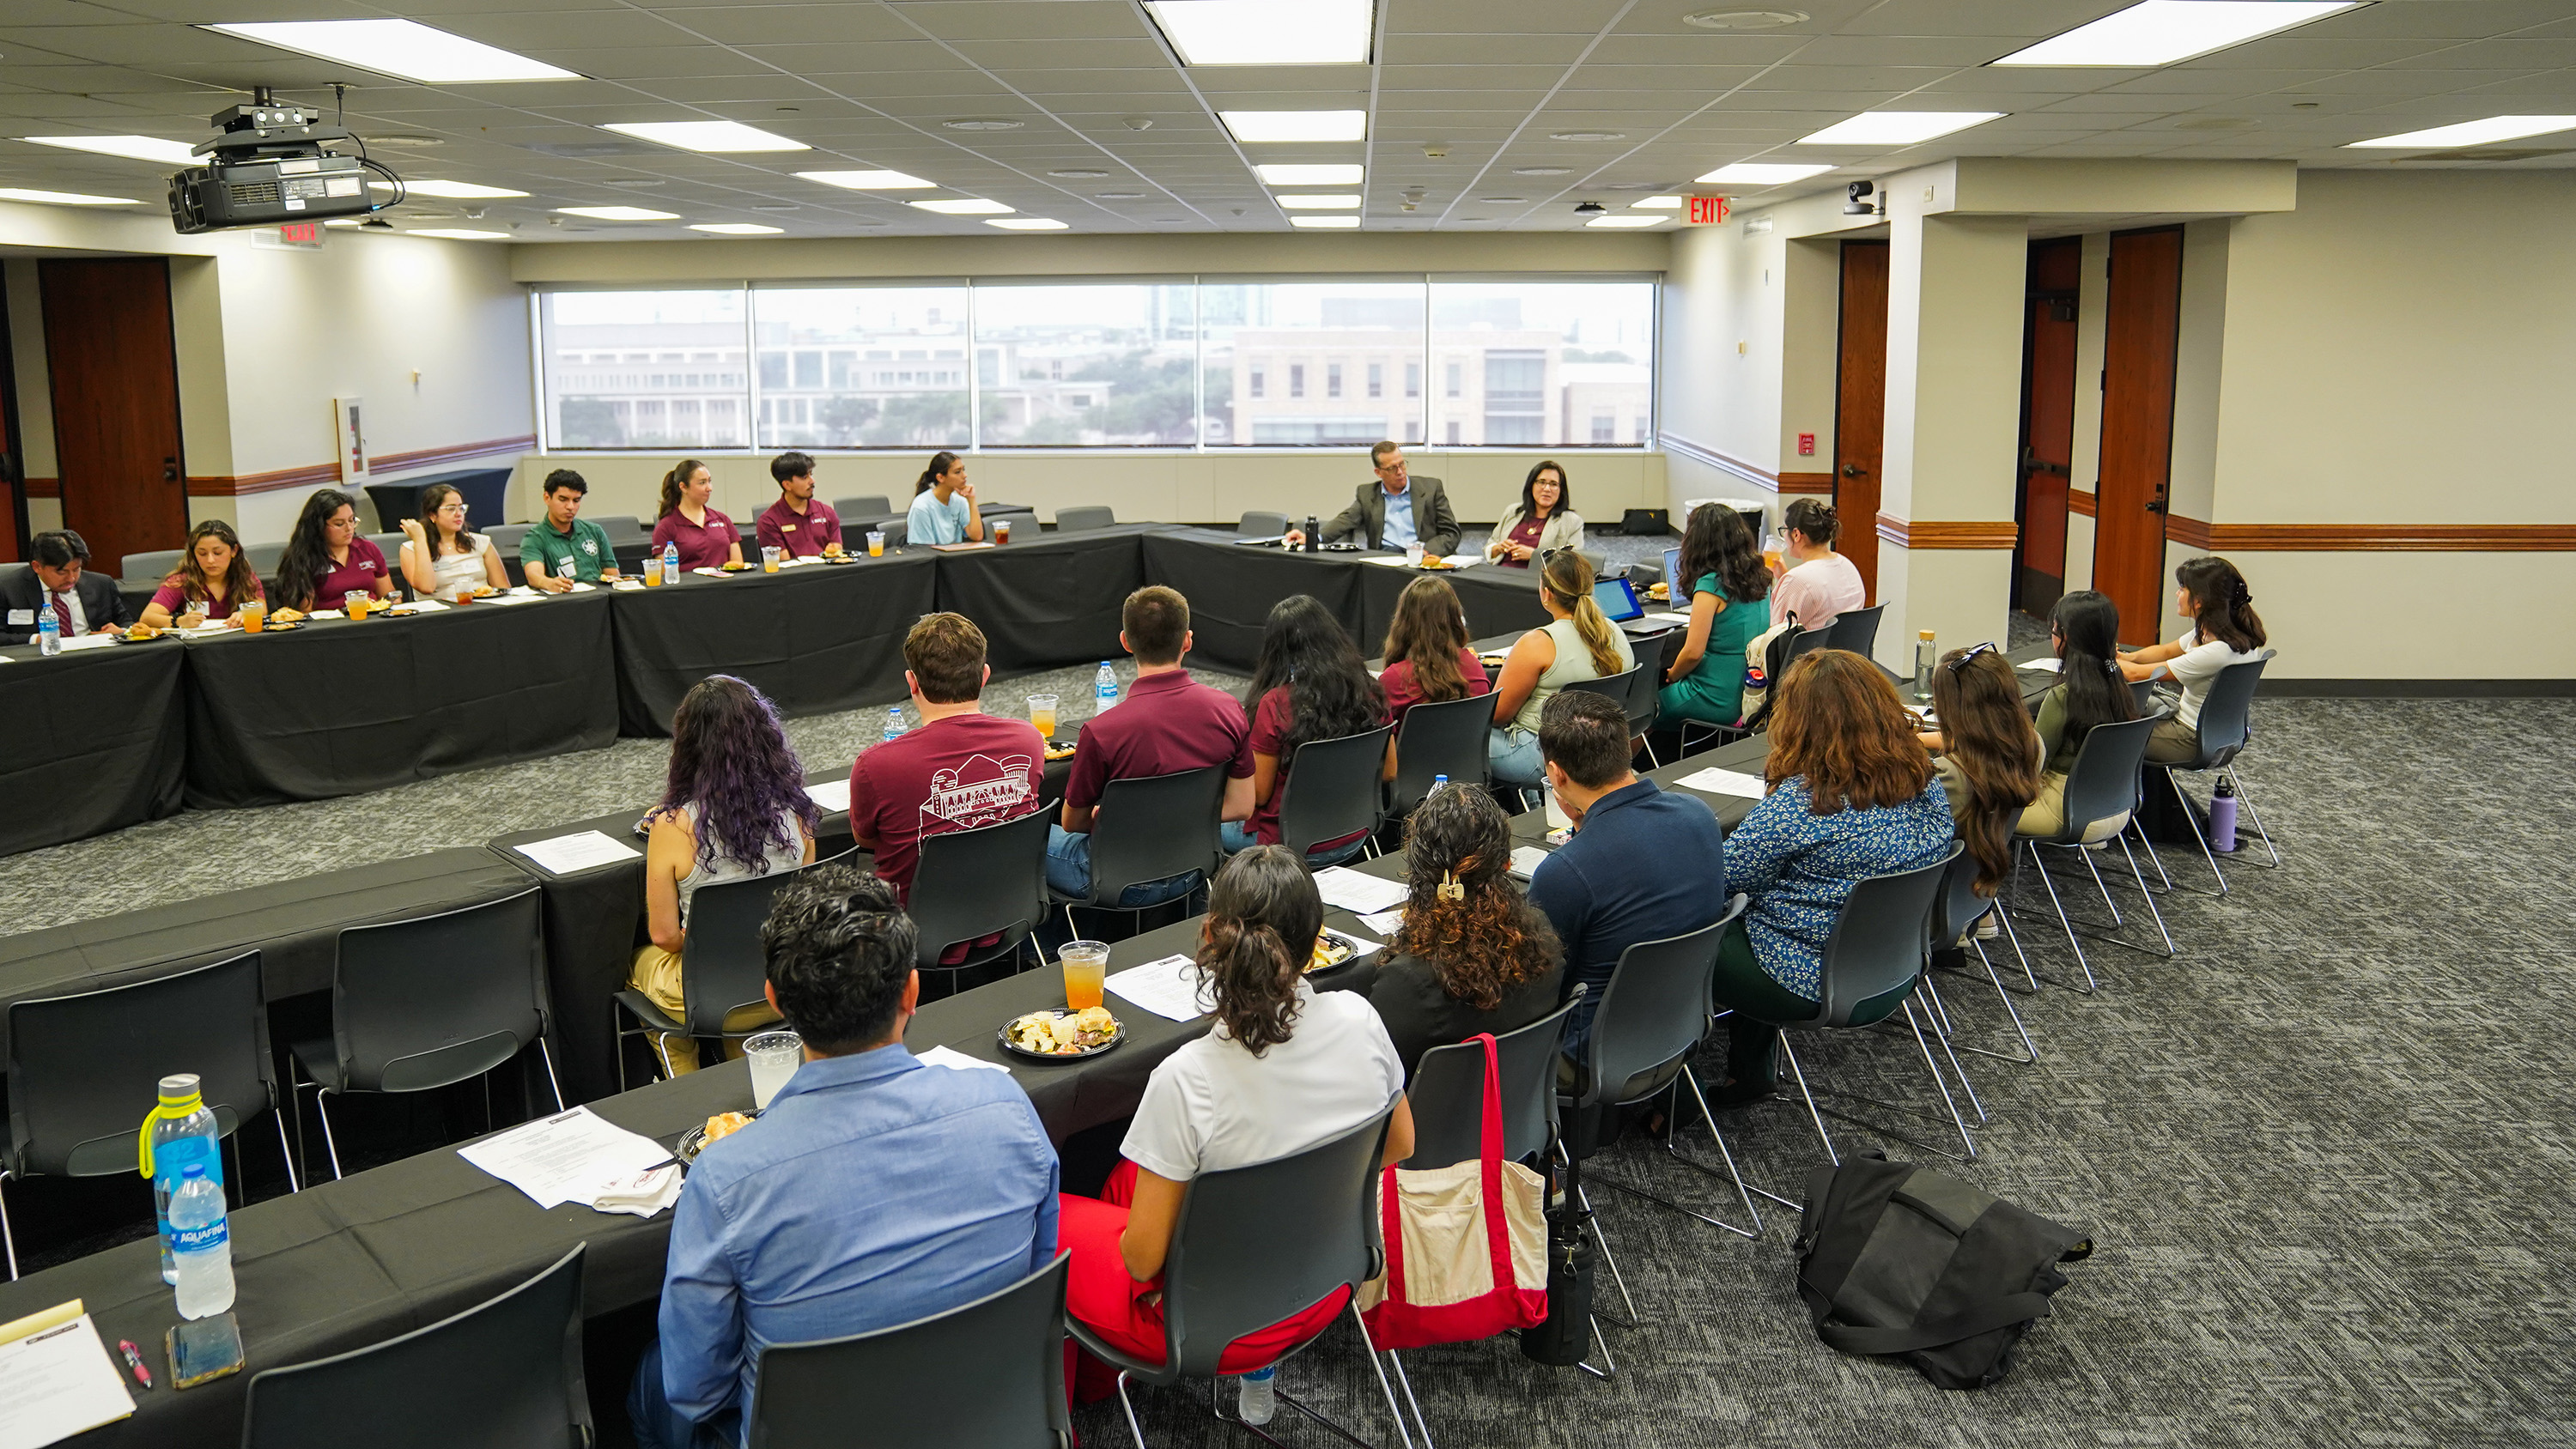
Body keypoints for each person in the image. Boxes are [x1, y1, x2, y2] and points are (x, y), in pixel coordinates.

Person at [632, 864, 1058, 1449]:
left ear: (775, 1001)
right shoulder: (1007, 1108)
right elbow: (1033, 1290)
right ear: (912, 991)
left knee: (651, 1379)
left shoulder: (726, 1178)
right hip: (986, 1420)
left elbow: (696, 1392)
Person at [1059, 847, 1411, 1409]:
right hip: (1329, 1284)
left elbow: (1141, 1261)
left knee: (1045, 1219)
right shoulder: (1361, 1018)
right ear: (1316, 939)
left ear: (1211, 937)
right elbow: (1401, 1144)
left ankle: (1090, 1395)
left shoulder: (1186, 1078)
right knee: (1127, 1181)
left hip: (1206, 1327)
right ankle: (1101, 1380)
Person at [1710, 650, 1955, 1102]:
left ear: (1800, 722)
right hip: (1894, 966)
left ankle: (1669, 1091)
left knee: (1672, 928)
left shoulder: (1802, 803)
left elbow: (1719, 880)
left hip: (1806, 981)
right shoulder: (1924, 781)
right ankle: (1748, 1072)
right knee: (1766, 905)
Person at [630, 676, 819, 1074]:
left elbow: (665, 937)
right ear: (766, 737)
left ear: (688, 745)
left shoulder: (673, 827)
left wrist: (711, 941)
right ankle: (746, 1063)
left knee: (638, 963)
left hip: (714, 997)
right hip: (787, 983)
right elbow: (803, 912)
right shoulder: (798, 811)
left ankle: (690, 1086)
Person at [1526, 689, 1728, 1045]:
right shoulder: (1698, 814)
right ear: (1626, 749)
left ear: (1556, 774)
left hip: (1587, 1048)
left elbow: (1539, 982)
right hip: (1683, 1022)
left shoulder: (1566, 871)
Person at [1049, 585, 1255, 906]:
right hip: (1195, 866)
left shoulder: (1101, 732)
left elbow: (1072, 822)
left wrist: (1113, 818)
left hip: (1118, 880)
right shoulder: (1229, 710)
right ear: (1187, 640)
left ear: (1125, 641)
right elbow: (1242, 806)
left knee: (1028, 839)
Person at [1367, 785, 1566, 1078]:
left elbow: (1376, 1076)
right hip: (1526, 1097)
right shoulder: (1541, 936)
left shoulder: (1407, 981)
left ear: (1416, 868)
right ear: (1507, 863)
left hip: (1438, 1107)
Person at [846, 612, 1042, 904]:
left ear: (912, 682)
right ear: (985, 676)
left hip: (911, 926)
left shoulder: (874, 765)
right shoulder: (1028, 739)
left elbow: (866, 839)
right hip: (1011, 910)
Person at [1232, 594, 1393, 865]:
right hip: (1356, 834)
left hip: (1286, 845)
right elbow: (1389, 772)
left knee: (1210, 828)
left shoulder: (1275, 704)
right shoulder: (1370, 692)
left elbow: (1259, 796)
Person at [1486, 550, 1634, 791]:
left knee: (1456, 737)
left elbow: (1497, 715)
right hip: (1603, 750)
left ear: (1547, 594)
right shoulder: (1614, 631)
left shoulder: (1538, 643)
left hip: (1544, 757)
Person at [2121, 556, 2268, 764]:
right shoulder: (2224, 632)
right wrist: (2126, 657)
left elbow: (2136, 675)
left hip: (2190, 738)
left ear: (2199, 601)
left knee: (2106, 735)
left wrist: (2099, 656)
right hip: (2220, 735)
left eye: (2182, 589)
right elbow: (2166, 651)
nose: (2177, 593)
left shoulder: (2217, 651)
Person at [1923, 645, 2043, 897]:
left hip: (1928, 899)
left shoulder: (1947, 775)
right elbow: (1978, 739)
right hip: (1972, 891)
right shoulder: (2033, 744)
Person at [2017, 591, 2137, 838]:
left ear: (2066, 638)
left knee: (1966, 802)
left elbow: (2033, 766)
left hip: (2065, 813)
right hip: (2118, 808)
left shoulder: (2063, 696)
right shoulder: (2122, 688)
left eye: (2054, 630)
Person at [1657, 503, 1772, 729]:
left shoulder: (1710, 586)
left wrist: (1672, 676)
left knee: (1641, 707)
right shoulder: (1761, 578)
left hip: (1713, 694)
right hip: (1750, 691)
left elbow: (1693, 653)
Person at [1282, 441, 1461, 555]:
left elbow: (1451, 533)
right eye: (1392, 468)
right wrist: (1313, 538)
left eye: (1402, 464)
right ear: (1378, 472)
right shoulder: (1367, 494)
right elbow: (1344, 521)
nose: (1400, 472)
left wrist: (1427, 551)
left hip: (1422, 559)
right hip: (1385, 560)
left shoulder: (1431, 488)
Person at [1376, 575, 1489, 727]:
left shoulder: (1395, 679)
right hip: (1467, 743)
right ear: (1456, 618)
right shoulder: (1473, 666)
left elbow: (1379, 734)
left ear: (1403, 622)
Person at [274, 488, 394, 614]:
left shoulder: (367, 549)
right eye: (339, 524)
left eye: (351, 520)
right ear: (319, 526)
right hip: (329, 623)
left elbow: (388, 597)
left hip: (371, 619)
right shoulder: (303, 558)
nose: (349, 528)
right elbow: (303, 615)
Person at [0, 529, 129, 643]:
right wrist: (37, 639)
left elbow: (126, 622)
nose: (71, 578)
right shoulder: (8, 589)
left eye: (77, 569)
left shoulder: (101, 584)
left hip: (95, 656)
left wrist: (122, 631)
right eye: (62, 572)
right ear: (37, 567)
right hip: (41, 658)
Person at [137, 521, 264, 631]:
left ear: (234, 551)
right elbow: (147, 617)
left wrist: (245, 614)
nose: (210, 560)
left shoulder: (244, 576)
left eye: (218, 553)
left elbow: (262, 607)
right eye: (202, 554)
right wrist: (179, 621)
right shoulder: (181, 581)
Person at [398, 483, 509, 602]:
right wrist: (420, 540)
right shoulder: (411, 548)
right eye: (451, 509)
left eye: (461, 508)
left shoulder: (481, 542)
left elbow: (503, 589)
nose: (458, 514)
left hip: (484, 606)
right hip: (440, 611)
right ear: (432, 515)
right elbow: (426, 587)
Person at [1768, 497, 1866, 631]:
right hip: (1847, 644)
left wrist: (1787, 582)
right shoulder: (1847, 565)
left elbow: (1776, 635)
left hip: (1812, 645)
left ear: (1796, 534)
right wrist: (1784, 578)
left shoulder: (1798, 580)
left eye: (1784, 529)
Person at [520, 468, 616, 591]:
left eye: (576, 501)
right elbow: (534, 576)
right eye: (563, 499)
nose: (570, 507)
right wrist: (549, 583)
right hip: (564, 597)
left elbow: (613, 575)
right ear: (547, 498)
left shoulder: (594, 531)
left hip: (598, 596)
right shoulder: (535, 538)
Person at [1482, 459, 1584, 567]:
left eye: (1553, 484)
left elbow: (1573, 562)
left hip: (1538, 576)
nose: (1547, 489)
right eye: (1542, 482)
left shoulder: (1571, 521)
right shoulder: (1513, 511)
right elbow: (1489, 546)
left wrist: (1534, 555)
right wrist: (1498, 548)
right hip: (1499, 573)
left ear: (1561, 490)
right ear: (1531, 485)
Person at [651, 458, 744, 572]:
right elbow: (665, 574)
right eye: (702, 483)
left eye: (709, 481)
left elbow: (737, 565)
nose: (709, 488)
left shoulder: (721, 519)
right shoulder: (666, 527)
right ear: (683, 487)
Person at [756, 451, 843, 561]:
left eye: (811, 475)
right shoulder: (769, 522)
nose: (812, 481)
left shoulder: (827, 512)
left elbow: (836, 551)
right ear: (787, 485)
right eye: (804, 477)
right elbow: (784, 564)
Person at [905, 451, 983, 545]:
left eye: (964, 470)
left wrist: (971, 499)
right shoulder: (921, 507)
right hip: (932, 554)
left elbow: (977, 536)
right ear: (941, 478)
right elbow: (923, 550)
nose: (965, 475)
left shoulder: (960, 502)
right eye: (958, 472)